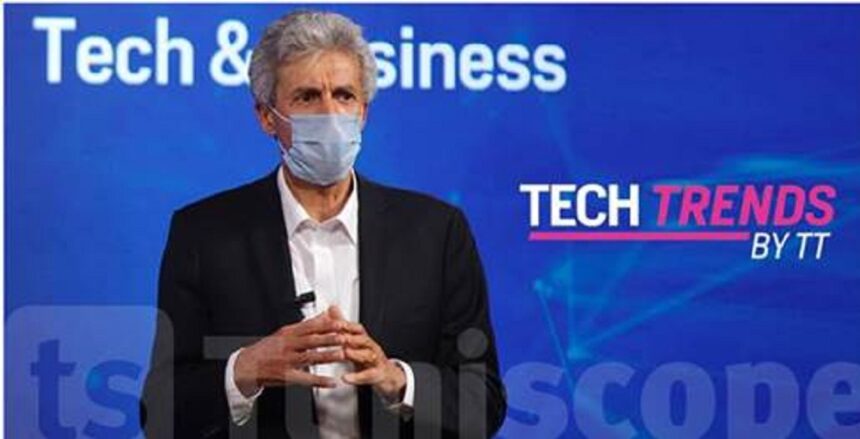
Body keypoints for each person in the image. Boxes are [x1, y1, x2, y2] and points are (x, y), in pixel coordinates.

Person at [141, 10, 506, 439]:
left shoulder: (437, 233)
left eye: (345, 95)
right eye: (307, 97)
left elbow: (484, 403)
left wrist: (398, 380)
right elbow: (160, 412)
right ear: (267, 116)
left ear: (364, 112)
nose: (330, 114)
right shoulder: (204, 235)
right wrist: (244, 370)